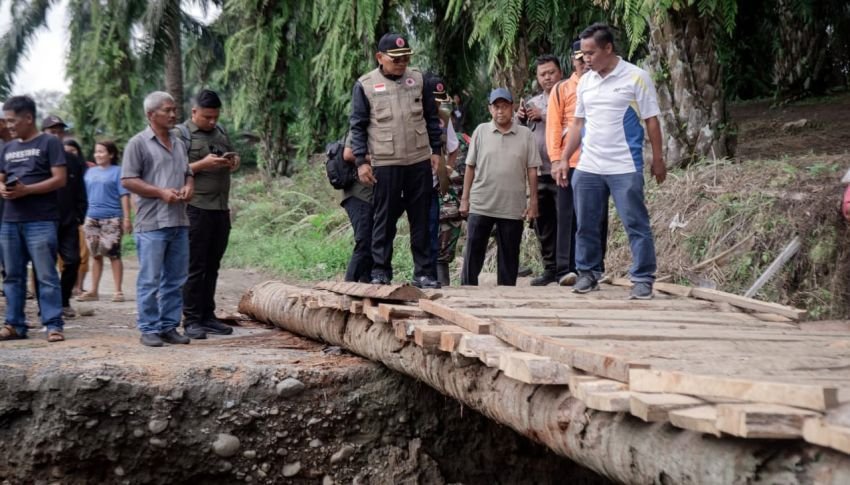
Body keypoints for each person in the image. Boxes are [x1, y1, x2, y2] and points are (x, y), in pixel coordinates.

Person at [558, 24, 666, 299]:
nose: (586, 60)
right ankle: (588, 273)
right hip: (589, 166)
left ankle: (642, 278)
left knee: (635, 223)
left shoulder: (636, 77)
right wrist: (563, 159)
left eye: (591, 53)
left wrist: (658, 159)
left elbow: (651, 120)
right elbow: (578, 123)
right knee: (586, 224)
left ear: (608, 48)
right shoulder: (586, 82)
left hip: (624, 167)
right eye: (582, 55)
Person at [350, 32, 443, 288]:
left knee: (421, 219)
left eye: (406, 58)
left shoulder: (418, 79)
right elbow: (357, 127)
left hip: (418, 160)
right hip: (386, 162)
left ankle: (423, 273)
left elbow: (431, 118)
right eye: (396, 59)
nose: (402, 63)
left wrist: (436, 150)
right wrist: (361, 162)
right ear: (380, 57)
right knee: (384, 219)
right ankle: (380, 271)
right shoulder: (365, 85)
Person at [121, 91, 194, 347]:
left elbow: (188, 172)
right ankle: (149, 328)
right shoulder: (138, 143)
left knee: (175, 279)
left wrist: (188, 186)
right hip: (151, 223)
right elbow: (128, 180)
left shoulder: (179, 142)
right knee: (150, 279)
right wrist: (160, 192)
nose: (173, 114)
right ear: (151, 115)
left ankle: (169, 326)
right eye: (167, 110)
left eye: (174, 109)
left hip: (179, 220)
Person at [0, 96, 67, 342]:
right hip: (10, 219)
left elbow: (59, 179)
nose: (8, 125)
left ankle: (53, 324)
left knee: (46, 274)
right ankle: (14, 324)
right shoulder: (6, 147)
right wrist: (2, 189)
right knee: (12, 275)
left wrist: (27, 190)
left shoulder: (49, 142)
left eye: (12, 120)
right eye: (6, 121)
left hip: (41, 219)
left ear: (28, 118)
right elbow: (1, 176)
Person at [460, 88, 540, 286]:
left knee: (509, 256)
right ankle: (466, 292)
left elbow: (532, 170)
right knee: (473, 252)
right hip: (482, 202)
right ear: (490, 109)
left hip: (512, 205)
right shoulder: (480, 131)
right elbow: (470, 167)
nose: (500, 111)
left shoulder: (525, 135)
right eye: (496, 107)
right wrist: (464, 199)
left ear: (512, 108)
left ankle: (507, 296)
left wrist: (533, 203)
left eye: (505, 107)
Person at [545, 42, 610, 286]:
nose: (583, 62)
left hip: (597, 161)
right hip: (568, 162)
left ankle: (595, 266)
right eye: (578, 58)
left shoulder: (602, 85)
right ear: (572, 60)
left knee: (597, 215)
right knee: (567, 216)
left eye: (587, 56)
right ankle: (566, 268)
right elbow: (553, 127)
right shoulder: (562, 89)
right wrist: (555, 160)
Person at [179, 89, 239, 339]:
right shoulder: (182, 135)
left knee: (213, 265)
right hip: (196, 209)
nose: (212, 121)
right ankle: (191, 319)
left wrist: (232, 162)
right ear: (194, 112)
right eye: (207, 117)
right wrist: (201, 165)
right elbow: (172, 168)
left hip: (220, 208)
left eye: (215, 116)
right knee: (195, 266)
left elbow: (231, 158)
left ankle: (207, 315)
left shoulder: (221, 132)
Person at [517, 54, 574, 287]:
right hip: (538, 171)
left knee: (565, 221)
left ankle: (567, 269)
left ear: (560, 72)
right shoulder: (533, 102)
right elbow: (523, 134)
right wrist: (521, 119)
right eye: (543, 74)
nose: (547, 77)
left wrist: (545, 116)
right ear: (538, 78)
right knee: (543, 222)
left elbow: (574, 124)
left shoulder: (571, 95)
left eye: (551, 72)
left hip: (562, 168)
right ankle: (550, 268)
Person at [42, 115, 88, 318]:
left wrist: (80, 214)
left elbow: (80, 189)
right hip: (42, 220)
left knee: (73, 260)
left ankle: (63, 300)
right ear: (43, 133)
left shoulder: (72, 159)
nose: (57, 135)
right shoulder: (38, 157)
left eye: (60, 131)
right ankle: (47, 306)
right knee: (44, 264)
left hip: (68, 220)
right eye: (52, 131)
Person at [78, 140, 131, 302]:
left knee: (114, 254)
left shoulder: (118, 171)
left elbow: (124, 195)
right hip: (91, 217)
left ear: (111, 154)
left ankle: (118, 291)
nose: (98, 155)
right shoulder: (90, 172)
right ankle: (94, 290)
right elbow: (83, 196)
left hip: (112, 218)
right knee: (95, 255)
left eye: (101, 151)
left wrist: (127, 218)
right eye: (96, 151)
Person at [425, 74, 460, 286]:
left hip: (436, 183)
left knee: (436, 228)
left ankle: (432, 278)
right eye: (434, 98)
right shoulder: (413, 113)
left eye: (440, 98)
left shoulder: (444, 117)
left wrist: (446, 170)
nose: (438, 103)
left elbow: (453, 147)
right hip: (410, 181)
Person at [341, 136, 374, 283]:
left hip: (370, 195)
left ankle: (365, 282)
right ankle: (350, 283)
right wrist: (374, 158)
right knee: (364, 240)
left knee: (372, 241)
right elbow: (348, 154)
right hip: (358, 194)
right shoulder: (359, 128)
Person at [63, 138, 91, 295]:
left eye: (73, 150)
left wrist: (80, 215)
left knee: (77, 258)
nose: (69, 153)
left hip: (76, 219)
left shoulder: (85, 169)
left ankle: (75, 289)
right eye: (66, 150)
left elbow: (83, 193)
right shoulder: (52, 166)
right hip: (53, 218)